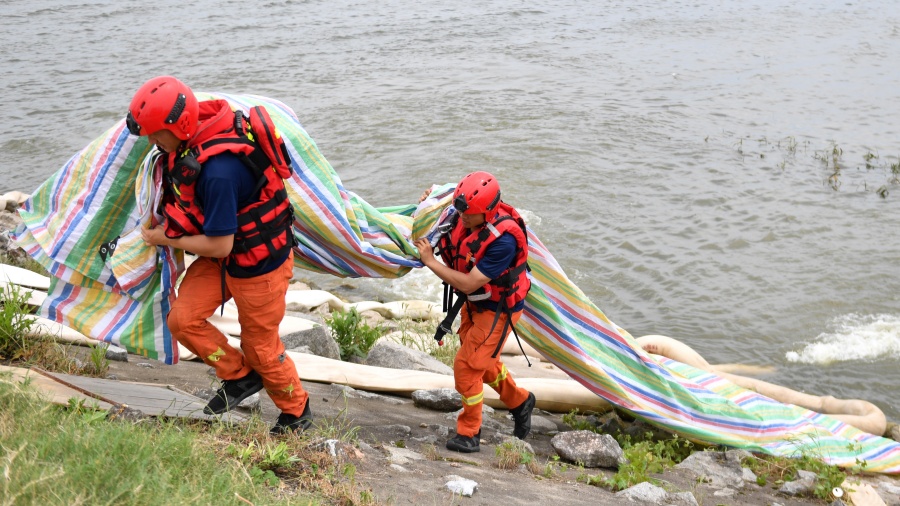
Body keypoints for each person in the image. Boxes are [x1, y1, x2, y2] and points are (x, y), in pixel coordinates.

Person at [128, 75, 312, 434]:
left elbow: (220, 243)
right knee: (182, 320)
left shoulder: (219, 173)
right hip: (224, 258)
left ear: (178, 124)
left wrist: (164, 238)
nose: (151, 142)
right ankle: (239, 377)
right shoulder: (194, 135)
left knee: (260, 347)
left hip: (259, 265)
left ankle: (296, 411)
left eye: (154, 133)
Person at [414, 171, 536, 453]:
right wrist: (426, 201)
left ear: (488, 212)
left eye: (469, 214)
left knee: (467, 368)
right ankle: (520, 401)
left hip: (498, 309)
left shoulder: (503, 242)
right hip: (475, 303)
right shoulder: (461, 212)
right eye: (460, 210)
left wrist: (430, 262)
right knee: (482, 361)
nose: (462, 218)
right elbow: (441, 204)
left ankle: (469, 433)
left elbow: (469, 282)